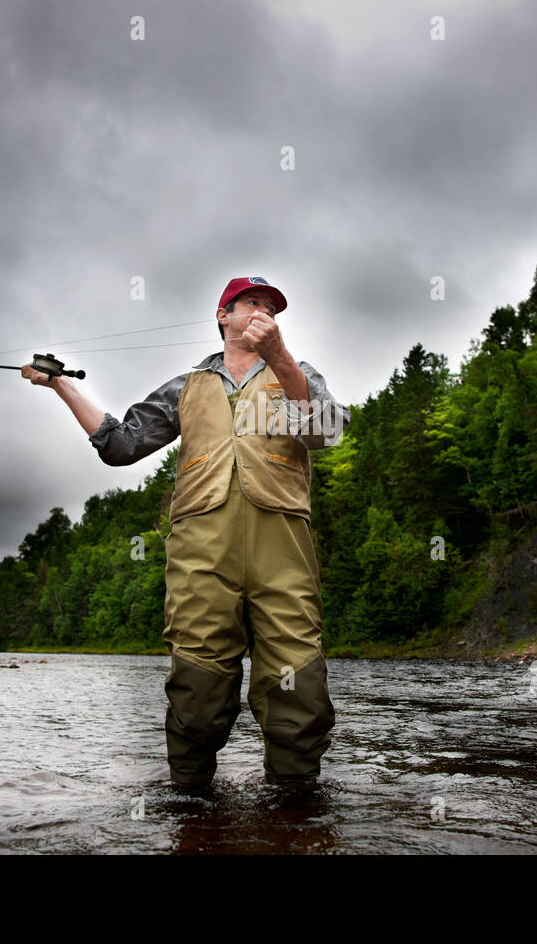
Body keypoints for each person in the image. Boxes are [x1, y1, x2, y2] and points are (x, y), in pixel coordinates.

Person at [22, 277, 350, 789]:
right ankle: (191, 810)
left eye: (271, 308)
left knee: (297, 681)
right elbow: (120, 445)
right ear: (224, 316)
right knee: (198, 686)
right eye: (251, 304)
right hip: (200, 551)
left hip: (283, 548)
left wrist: (281, 358)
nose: (263, 312)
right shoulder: (186, 386)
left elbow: (327, 432)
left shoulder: (297, 374)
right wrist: (62, 385)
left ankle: (295, 808)